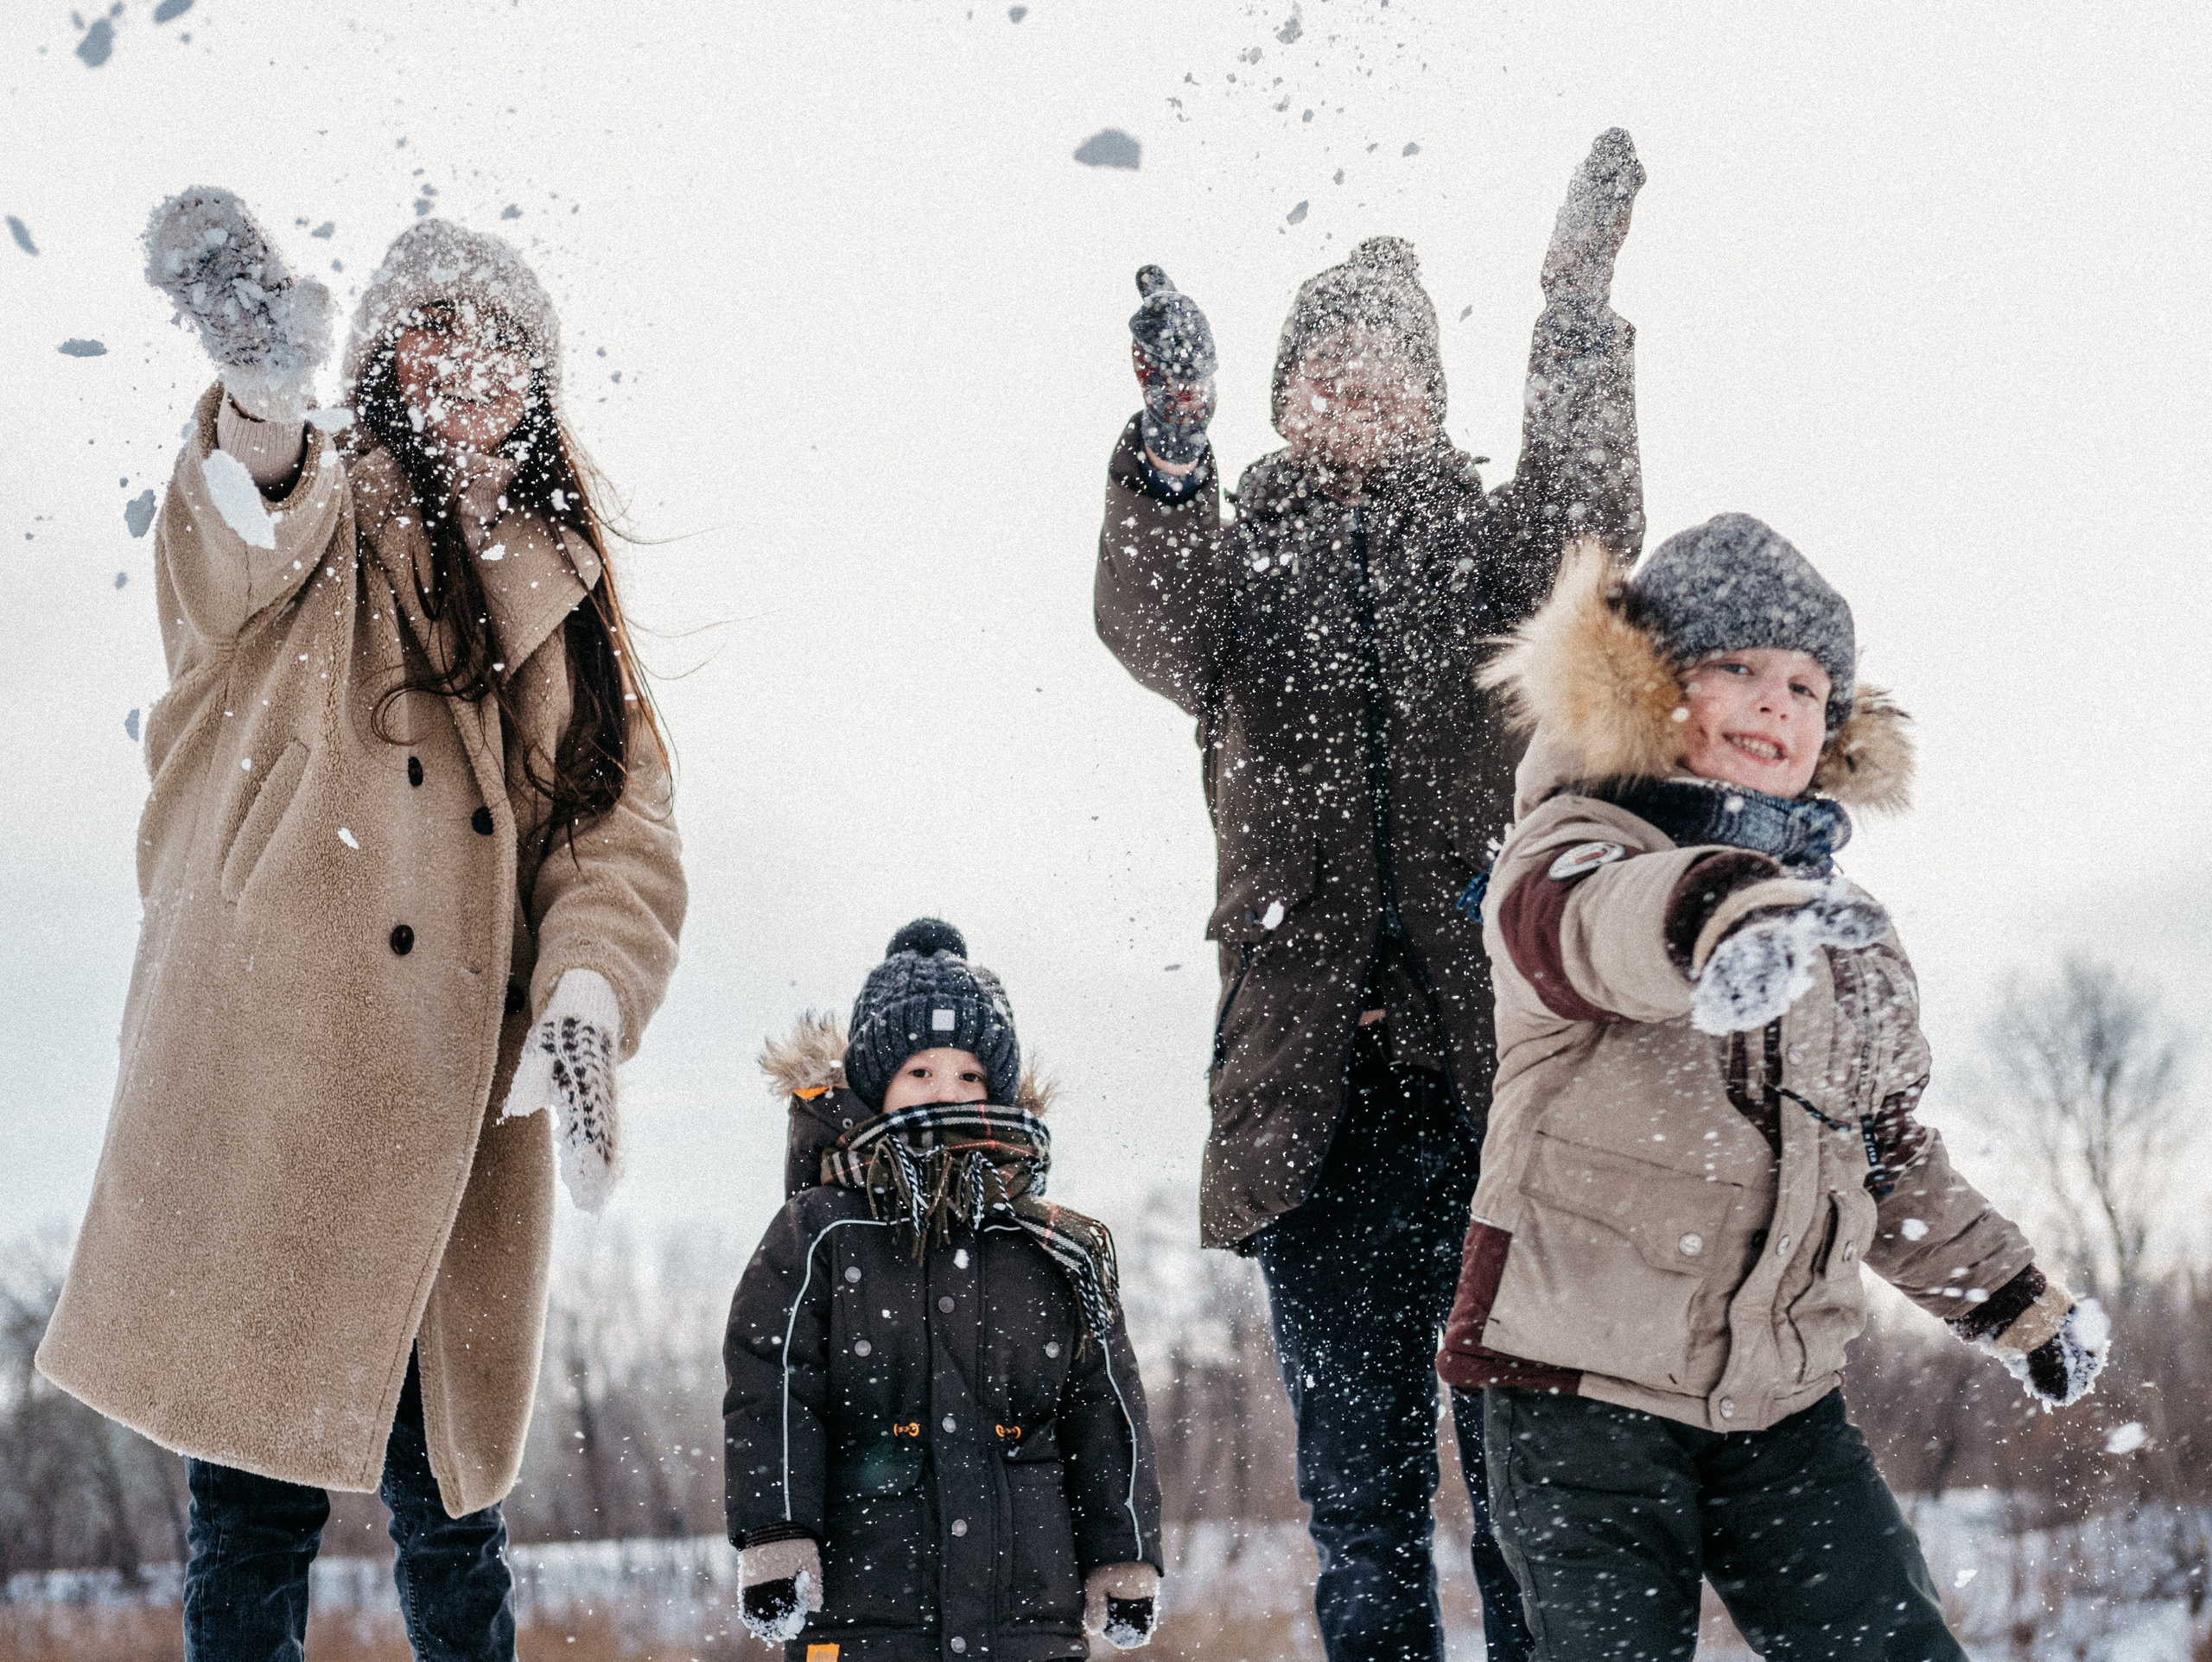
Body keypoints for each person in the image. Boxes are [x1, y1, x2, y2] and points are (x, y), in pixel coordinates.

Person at [36, 190, 688, 1662]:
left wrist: (586, 992)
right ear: (379, 364)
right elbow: (239, 522)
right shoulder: (315, 527)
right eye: (429, 347)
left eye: (495, 356)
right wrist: (260, 398)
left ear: (538, 389)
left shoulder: (567, 603)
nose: (463, 383)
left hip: (463, 1116)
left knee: (452, 1512)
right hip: (276, 1085)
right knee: (249, 1502)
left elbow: (619, 829)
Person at [1093, 130, 1648, 1662]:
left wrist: (1577, 311)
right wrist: (1169, 440)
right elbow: (1146, 611)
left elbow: (1593, 518)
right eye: (1327, 369)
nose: (1360, 391)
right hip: (1315, 1107)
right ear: (1281, 397)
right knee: (1362, 1505)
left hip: (1497, 1092)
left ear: (1432, 401)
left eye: (1390, 372)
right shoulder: (1235, 571)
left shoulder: (1488, 558)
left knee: (1526, 1487)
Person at [1438, 516, 2108, 1659]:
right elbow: (1592, 929)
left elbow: (1888, 1157)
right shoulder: (1570, 846)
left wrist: (2012, 1302)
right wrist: (1724, 920)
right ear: (1653, 687)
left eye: (1807, 685)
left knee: (1888, 1639)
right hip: (1574, 1392)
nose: (1776, 703)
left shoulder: (1843, 936)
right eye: (1736, 668)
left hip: (1779, 1404)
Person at [724, 919, 1163, 1661]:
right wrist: (776, 1530)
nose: (948, 1093)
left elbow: (1103, 1402)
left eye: (970, 1075)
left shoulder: (1054, 1244)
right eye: (920, 1072)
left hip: (1027, 1612)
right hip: (867, 1607)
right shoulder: (822, 1230)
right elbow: (773, 1381)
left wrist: (1124, 1552)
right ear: (875, 1086)